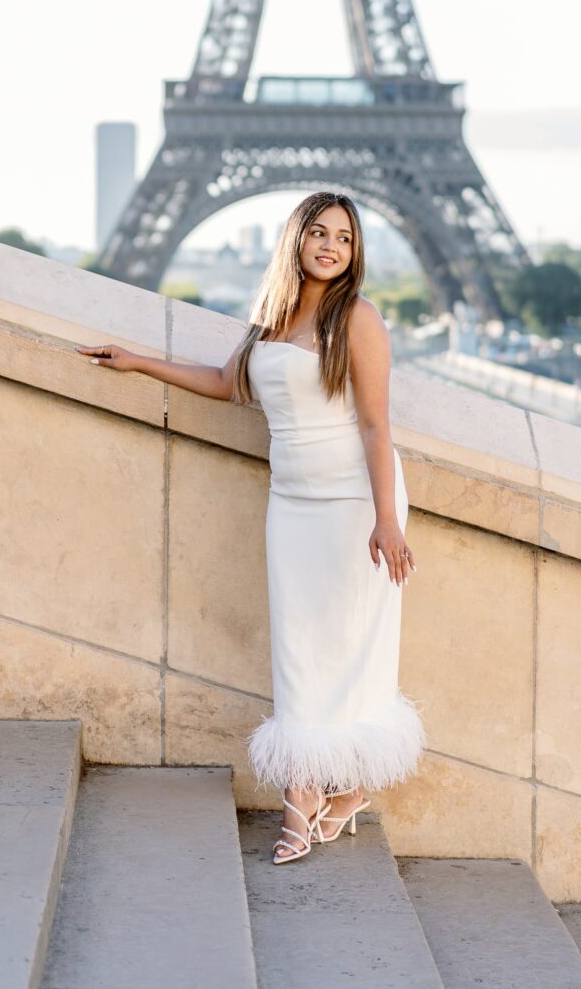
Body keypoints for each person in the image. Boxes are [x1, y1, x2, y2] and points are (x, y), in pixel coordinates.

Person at [77, 190, 424, 865]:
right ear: (296, 238)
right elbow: (223, 381)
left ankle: (328, 793)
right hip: (293, 502)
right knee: (299, 648)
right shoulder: (270, 317)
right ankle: (327, 790)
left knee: (354, 644)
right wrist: (141, 362)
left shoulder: (357, 318)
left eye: (345, 239)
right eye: (319, 232)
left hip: (356, 500)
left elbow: (378, 423)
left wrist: (387, 520)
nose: (331, 246)